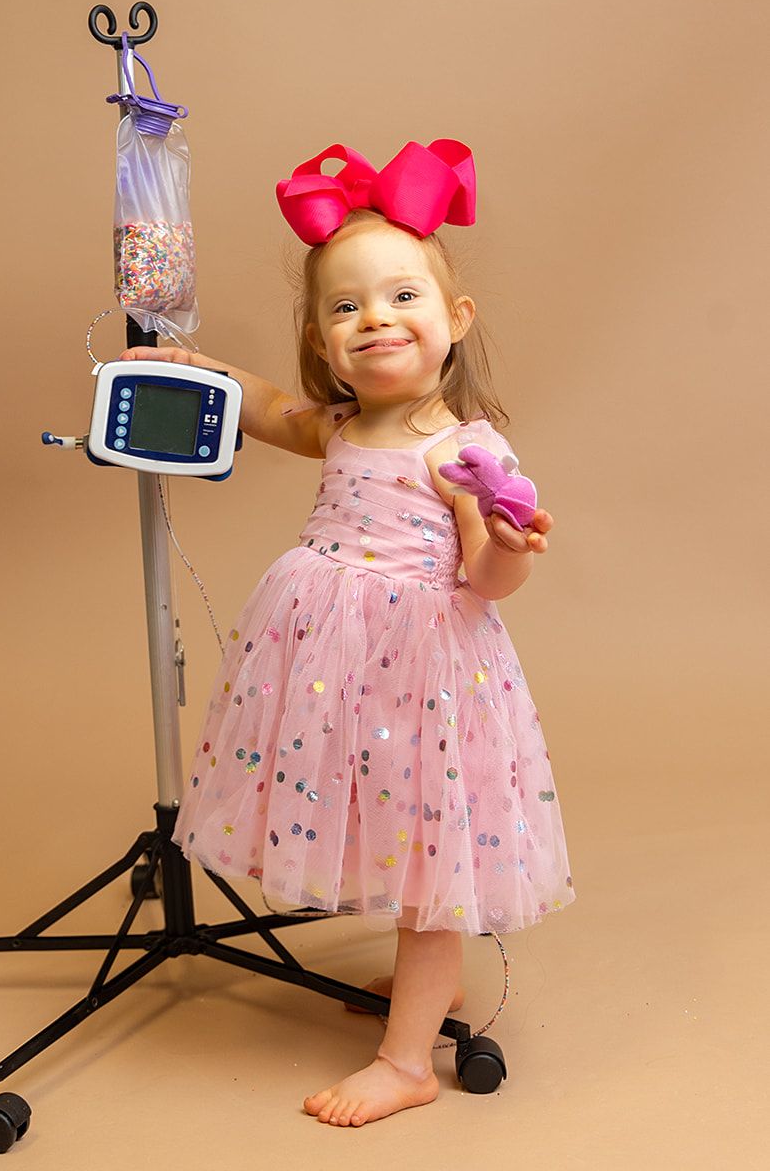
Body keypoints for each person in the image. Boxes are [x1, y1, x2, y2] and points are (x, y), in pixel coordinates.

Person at [120, 140, 575, 1127]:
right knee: (381, 830)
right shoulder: (335, 425)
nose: (374, 318)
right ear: (323, 343)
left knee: (426, 861)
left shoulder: (461, 451)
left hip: (424, 675)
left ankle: (407, 1062)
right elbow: (265, 407)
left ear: (454, 320)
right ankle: (426, 990)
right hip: (333, 672)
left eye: (402, 296)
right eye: (345, 307)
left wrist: (509, 545)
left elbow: (486, 579)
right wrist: (193, 369)